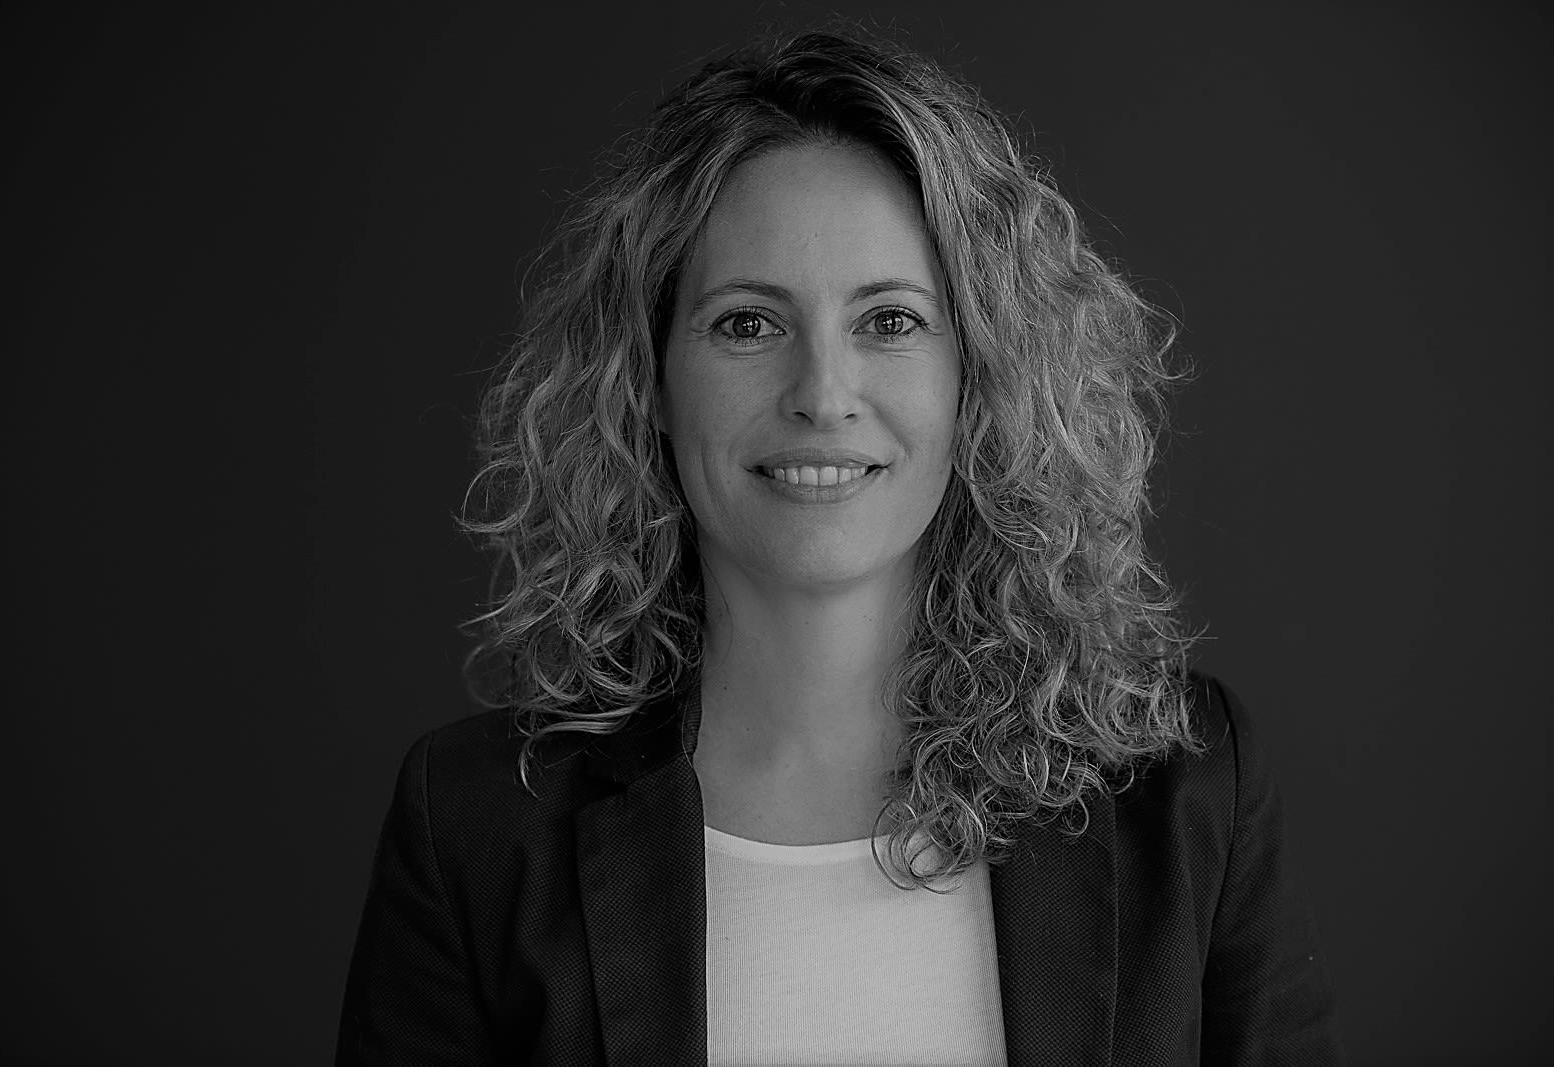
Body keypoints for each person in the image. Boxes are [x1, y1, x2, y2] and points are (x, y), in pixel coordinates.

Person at [336, 25, 1345, 1066]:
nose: (822, 394)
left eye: (890, 321)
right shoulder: (476, 825)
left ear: (979, 375)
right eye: (747, 323)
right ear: (650, 382)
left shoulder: (1185, 791)